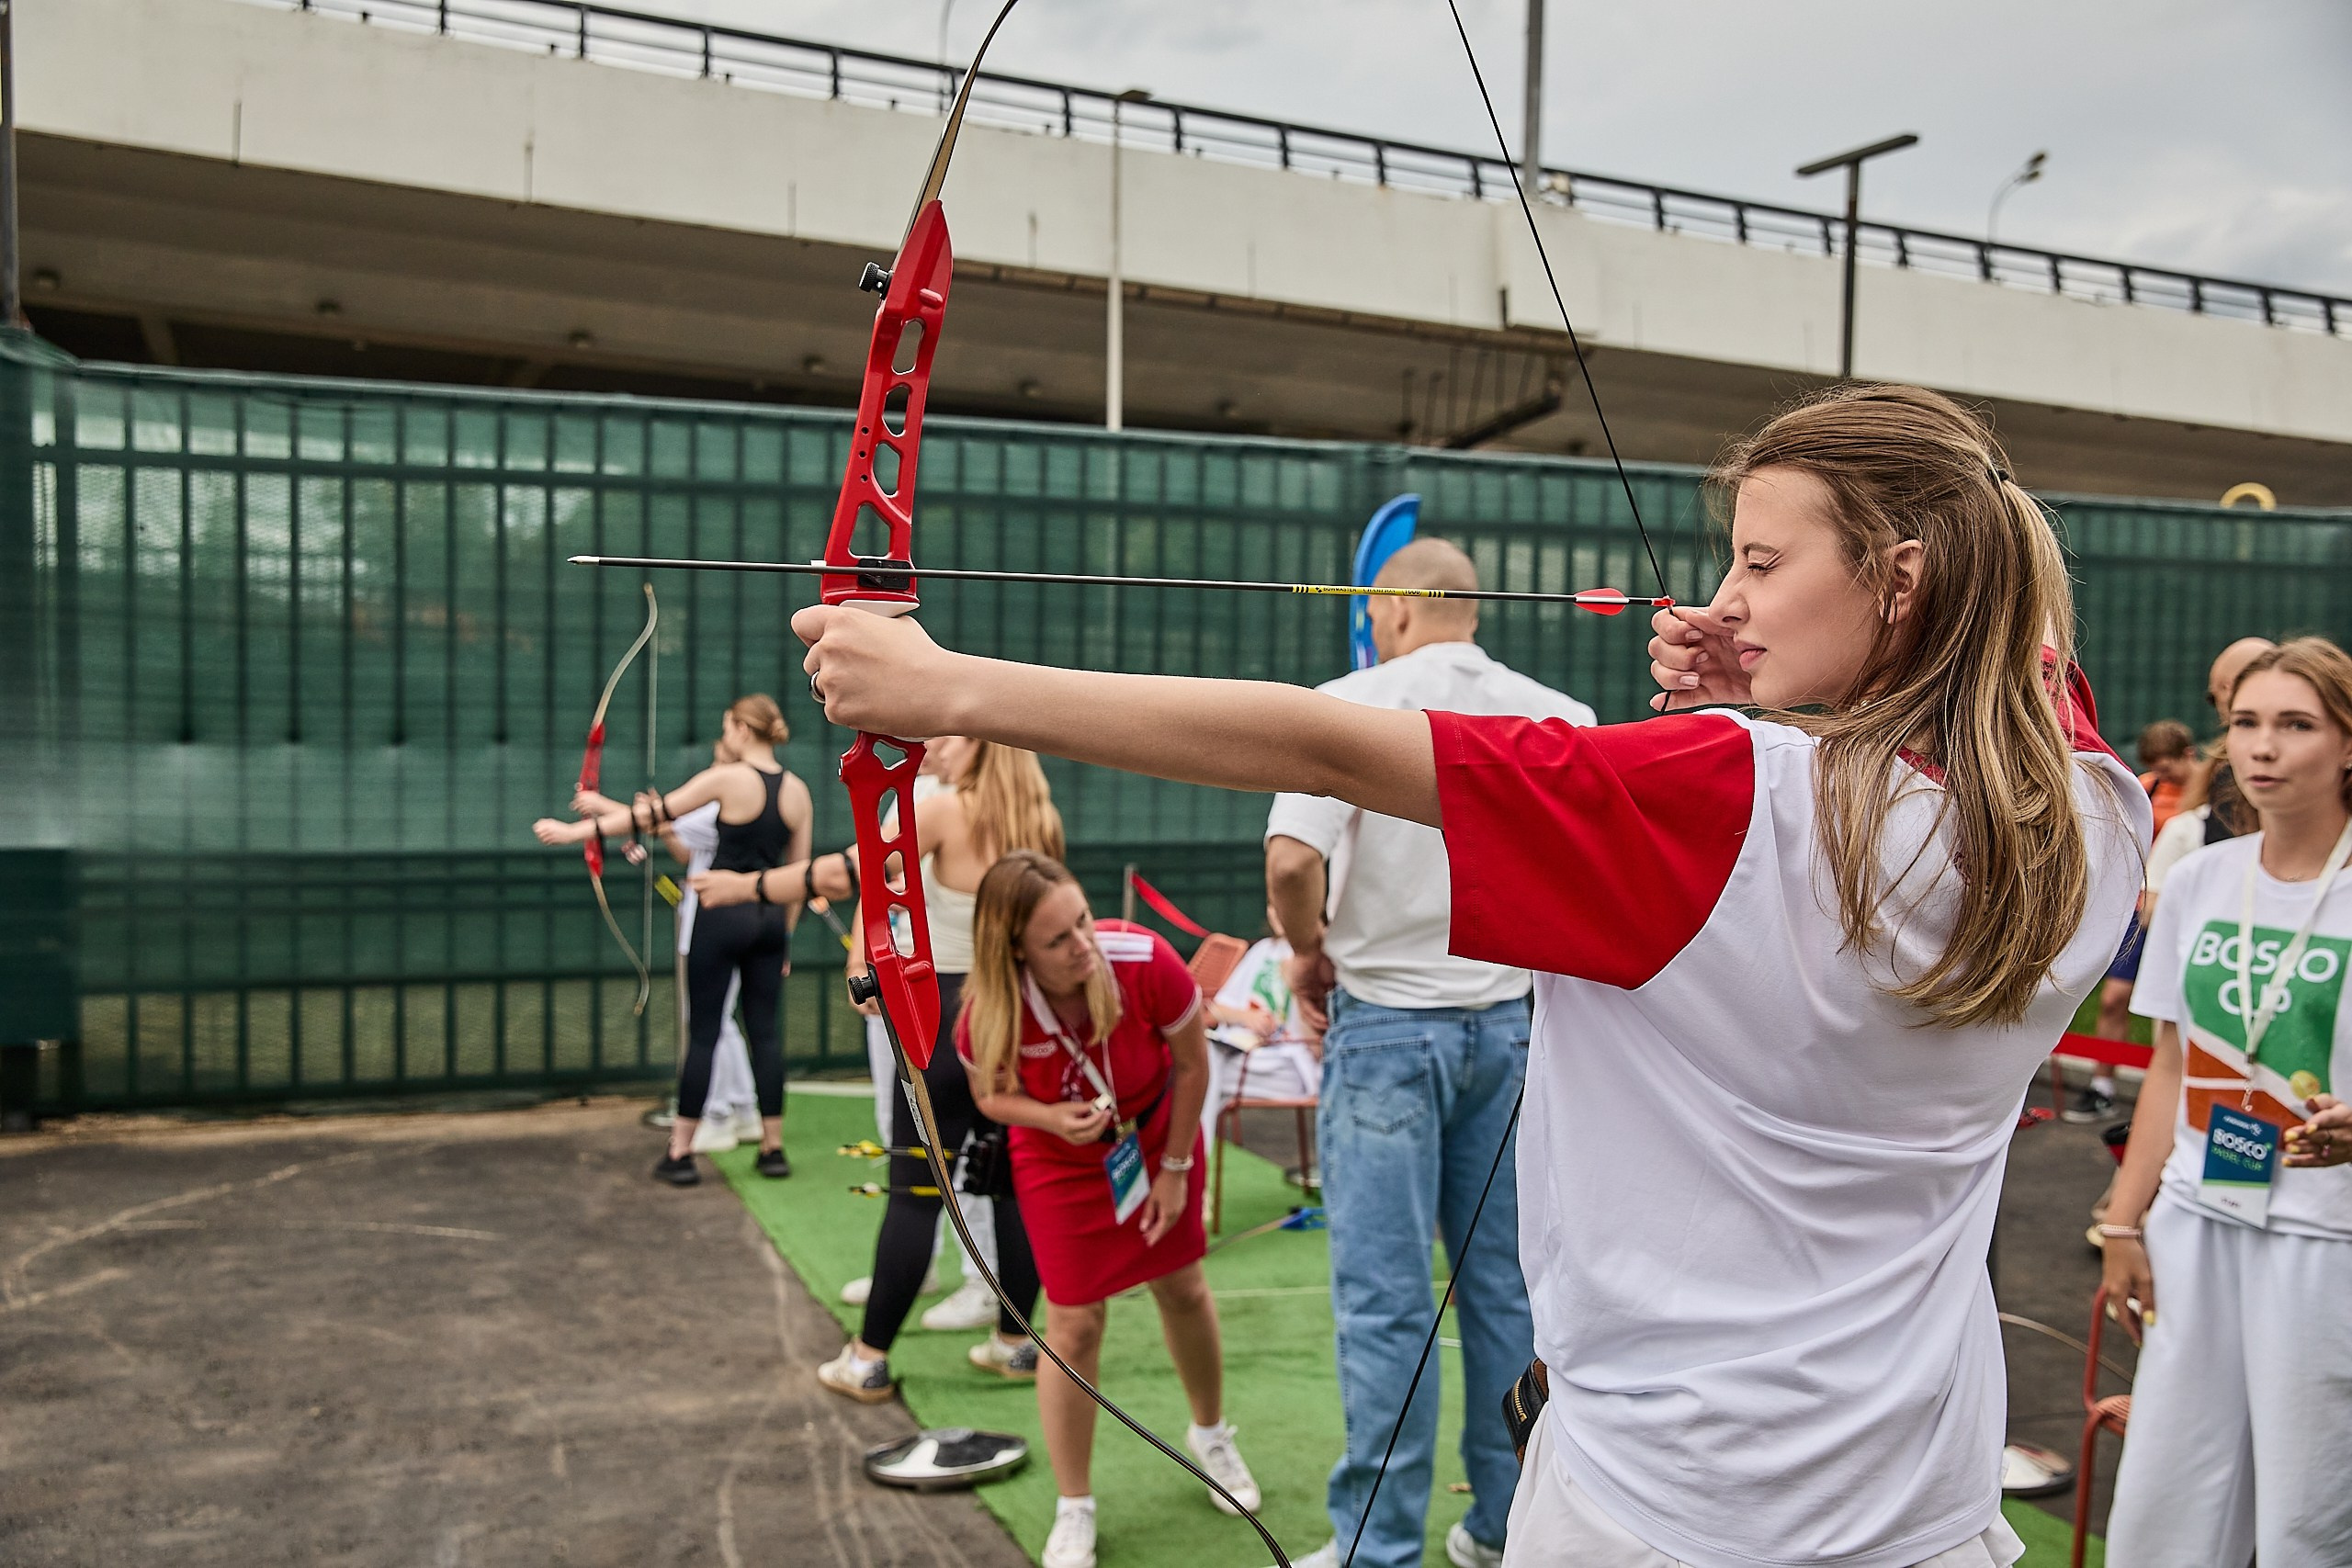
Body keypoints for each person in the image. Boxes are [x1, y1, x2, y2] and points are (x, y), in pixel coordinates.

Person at [791, 383, 2149, 1568]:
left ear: (1902, 581)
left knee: (1394, 1294)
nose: (1724, 597)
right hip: (1920, 1483)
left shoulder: (1736, 797)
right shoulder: (2092, 809)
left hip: (1673, 1502)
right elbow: (2009, 649)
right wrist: (1775, 676)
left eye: (1758, 559)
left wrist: (943, 683)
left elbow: (1322, 748)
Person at [1264, 536, 1594, 1568]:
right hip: (1510, 1027)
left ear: (1391, 609)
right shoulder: (1559, 715)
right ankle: (1506, 1526)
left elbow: (1288, 861)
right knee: (1505, 1289)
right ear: (1470, 611)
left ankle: (1376, 1546)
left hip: (1387, 1026)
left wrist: (1307, 955)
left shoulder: (1348, 697)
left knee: (1384, 1296)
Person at [2098, 637, 2352, 1568]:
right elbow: (2168, 1064)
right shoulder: (2204, 880)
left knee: (2306, 1514)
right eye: (2247, 724)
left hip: (2324, 1242)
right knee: (2168, 1501)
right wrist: (2126, 1225)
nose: (2263, 748)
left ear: (2347, 743)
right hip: (2199, 1220)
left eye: (2296, 725)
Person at [701, 737, 1060, 1391]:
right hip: (1012, 1014)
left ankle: (867, 1359)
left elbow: (855, 867)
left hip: (947, 1016)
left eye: (950, 737)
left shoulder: (948, 808)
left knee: (916, 1191)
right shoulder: (1040, 820)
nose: (936, 749)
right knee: (1008, 1182)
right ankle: (1015, 1343)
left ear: (981, 746)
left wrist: (746, 887)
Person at [958, 851, 1260, 1568]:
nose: (1082, 945)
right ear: (1015, 950)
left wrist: (1178, 1169)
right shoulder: (989, 1007)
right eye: (1058, 939)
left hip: (1158, 1134)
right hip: (1057, 1160)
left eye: (1083, 921)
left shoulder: (1143, 960)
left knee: (1183, 1286)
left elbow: (1194, 1062)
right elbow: (988, 1096)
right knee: (1073, 1321)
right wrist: (1048, 1116)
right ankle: (1075, 1503)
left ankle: (1211, 1434)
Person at [535, 694, 809, 1185]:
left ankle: (680, 1153)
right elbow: (798, 874)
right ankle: (773, 1149)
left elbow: (652, 816)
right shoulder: (798, 792)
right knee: (764, 1034)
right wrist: (784, 936)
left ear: (744, 729)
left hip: (720, 911)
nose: (724, 736)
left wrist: (578, 831)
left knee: (703, 1033)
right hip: (769, 919)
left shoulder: (727, 777)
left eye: (728, 726)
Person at [2073, 718, 2202, 1122]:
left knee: (2179, 1011)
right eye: (2155, 766)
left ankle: (2180, 1099)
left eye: (2169, 766)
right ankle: (2102, 1086)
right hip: (2140, 914)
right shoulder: (2146, 788)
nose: (2162, 774)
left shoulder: (2210, 795)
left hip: (2188, 918)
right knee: (2113, 999)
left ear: (2189, 755)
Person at [654, 738, 764, 1155]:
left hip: (715, 925)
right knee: (722, 1023)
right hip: (717, 923)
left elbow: (654, 822)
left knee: (708, 1025)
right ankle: (744, 1109)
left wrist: (591, 817)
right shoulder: (724, 804)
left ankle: (717, 1114)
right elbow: (682, 846)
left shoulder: (725, 806)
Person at [1203, 905, 1322, 1134]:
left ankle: (1189, 1160)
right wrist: (1247, 1017)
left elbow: (1318, 1049)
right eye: (1273, 903)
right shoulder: (1263, 950)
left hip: (1291, 1068)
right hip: (1240, 1056)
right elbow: (1215, 1011)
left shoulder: (1317, 956)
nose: (1278, 910)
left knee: (1197, 1074)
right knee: (1200, 1067)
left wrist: (1297, 989)